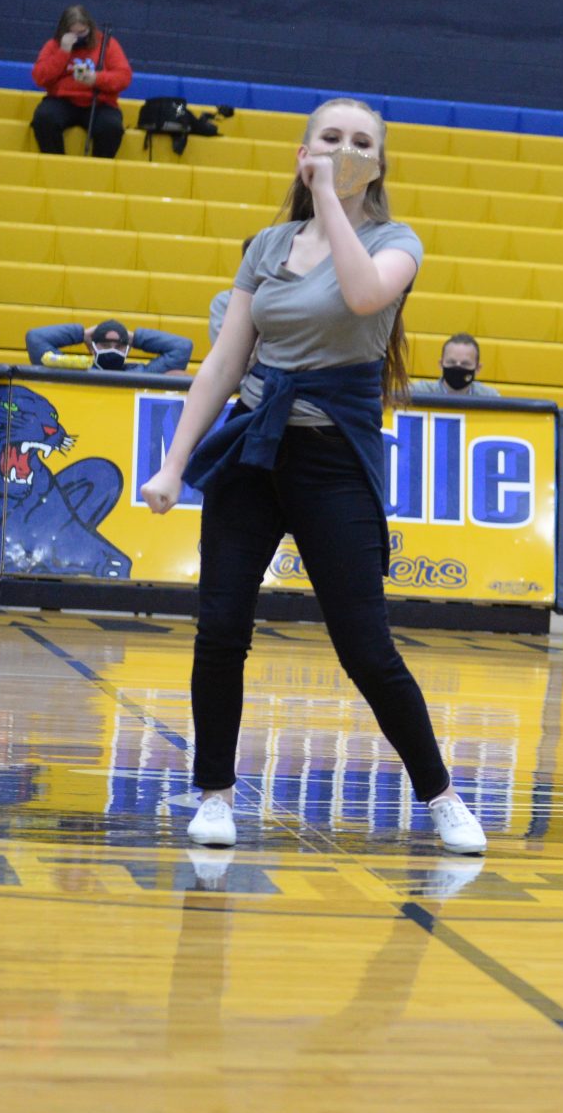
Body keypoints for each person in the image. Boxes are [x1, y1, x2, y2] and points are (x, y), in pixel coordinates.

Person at [141, 97, 484, 857]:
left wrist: (330, 197)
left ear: (379, 164)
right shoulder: (267, 247)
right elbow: (225, 363)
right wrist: (172, 463)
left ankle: (442, 796)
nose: (345, 149)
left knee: (365, 646)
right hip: (255, 448)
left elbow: (362, 296)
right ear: (303, 152)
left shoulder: (396, 242)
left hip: (335, 460)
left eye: (361, 142)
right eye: (330, 138)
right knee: (220, 627)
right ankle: (215, 795)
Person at [30, 5, 132, 158]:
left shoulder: (106, 44)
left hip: (99, 103)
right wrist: (63, 52)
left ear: (90, 28)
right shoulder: (53, 45)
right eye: (73, 34)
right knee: (44, 119)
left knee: (111, 127)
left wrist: (97, 79)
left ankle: (99, 168)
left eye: (82, 33)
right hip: (62, 101)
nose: (78, 38)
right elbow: (40, 77)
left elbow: (124, 77)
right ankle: (55, 164)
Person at [26, 316, 193, 376]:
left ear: (128, 349)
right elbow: (35, 338)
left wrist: (135, 338)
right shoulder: (73, 371)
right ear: (92, 347)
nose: (112, 350)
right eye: (105, 344)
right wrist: (82, 334)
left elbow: (182, 347)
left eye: (119, 346)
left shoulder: (142, 374)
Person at [409, 332, 498, 399]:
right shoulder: (417, 392)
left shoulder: (490, 397)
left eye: (465, 364)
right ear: (441, 364)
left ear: (478, 368)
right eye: (451, 362)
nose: (457, 367)